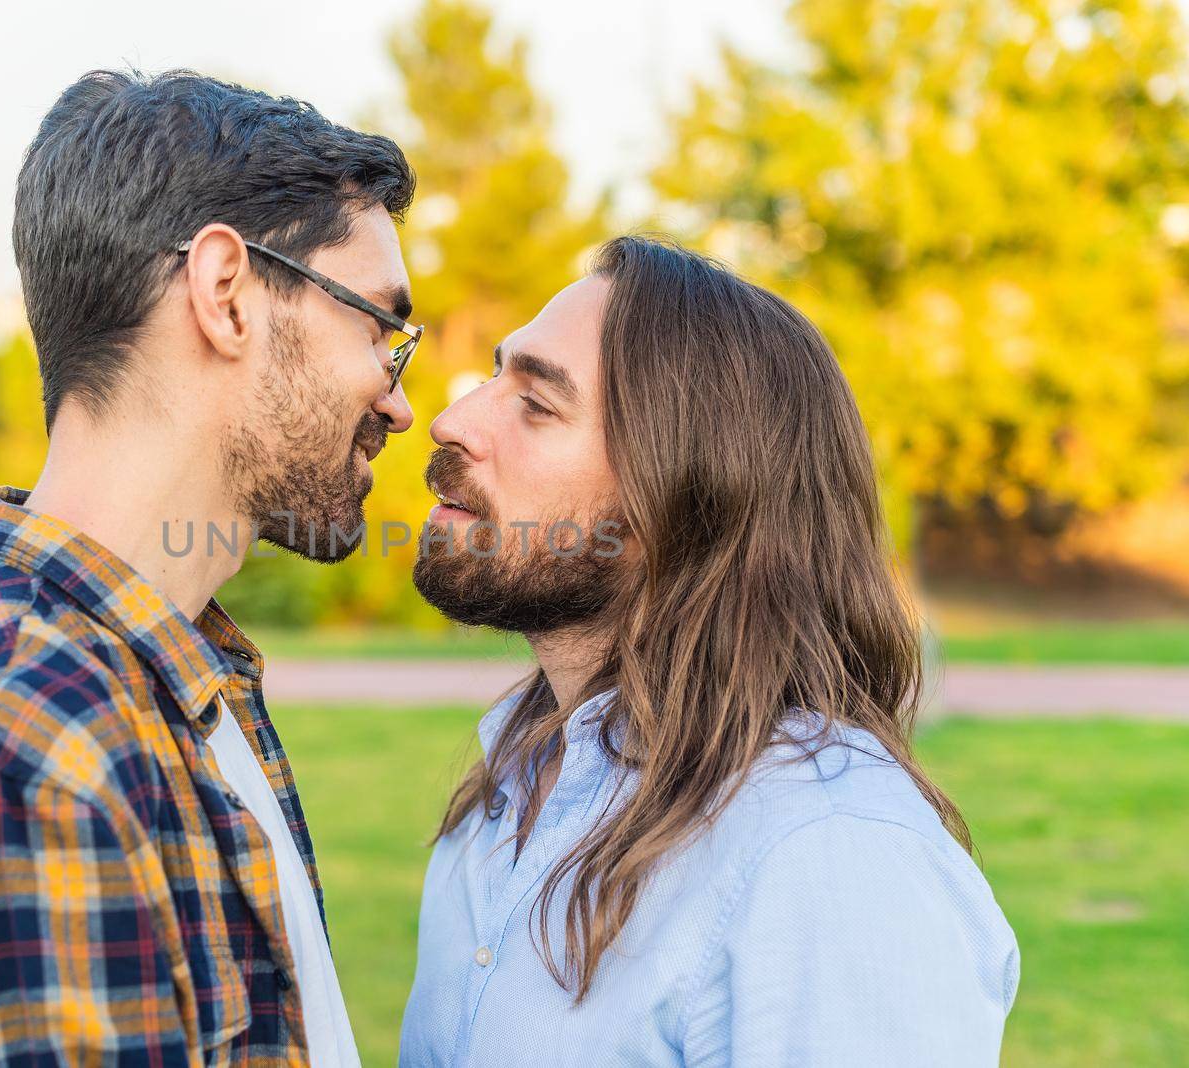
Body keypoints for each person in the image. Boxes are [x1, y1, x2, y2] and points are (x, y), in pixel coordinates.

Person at [0, 68, 421, 1067]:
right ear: (225, 293)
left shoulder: (163, 675)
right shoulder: (33, 735)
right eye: (378, 329)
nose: (397, 401)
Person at [400, 235, 1019, 1066]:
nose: (451, 420)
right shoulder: (503, 802)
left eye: (537, 404)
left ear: (686, 493)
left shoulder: (829, 855)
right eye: (495, 375)